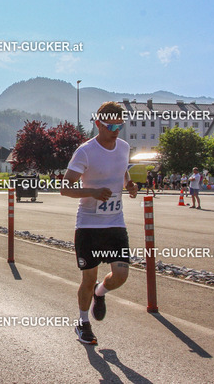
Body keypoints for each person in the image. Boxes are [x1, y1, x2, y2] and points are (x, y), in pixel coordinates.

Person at [60, 101, 138, 345]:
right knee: (88, 278)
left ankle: (100, 292)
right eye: (111, 126)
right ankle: (83, 323)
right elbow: (65, 188)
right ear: (98, 124)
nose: (116, 130)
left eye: (119, 125)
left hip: (115, 222)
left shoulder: (124, 147)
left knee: (121, 275)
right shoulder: (85, 151)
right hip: (89, 225)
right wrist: (92, 192)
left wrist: (129, 184)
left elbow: (122, 171)